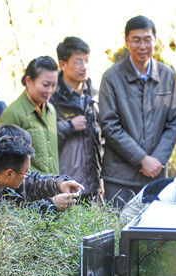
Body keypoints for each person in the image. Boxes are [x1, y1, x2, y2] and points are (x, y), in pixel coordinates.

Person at [98, 15, 176, 207]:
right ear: (127, 41)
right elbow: (109, 124)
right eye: (136, 40)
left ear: (155, 40)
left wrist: (157, 160)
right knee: (119, 232)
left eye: (147, 39)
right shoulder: (112, 77)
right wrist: (141, 159)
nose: (142, 46)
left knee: (155, 233)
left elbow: (174, 121)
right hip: (120, 177)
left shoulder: (167, 75)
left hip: (156, 175)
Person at [0, 128, 81, 214]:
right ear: (9, 173)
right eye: (26, 172)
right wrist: (51, 205)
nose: (27, 175)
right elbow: (8, 224)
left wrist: (59, 184)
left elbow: (32, 182)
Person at [50, 37, 103, 202]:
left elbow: (102, 140)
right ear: (63, 64)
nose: (84, 67)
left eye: (87, 61)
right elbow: (43, 139)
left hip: (92, 184)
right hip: (64, 184)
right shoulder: (51, 96)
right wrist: (69, 126)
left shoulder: (94, 95)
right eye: (78, 62)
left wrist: (101, 180)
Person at [0, 56, 60, 176]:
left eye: (54, 85)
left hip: (52, 186)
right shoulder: (13, 113)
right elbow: (3, 160)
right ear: (29, 81)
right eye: (45, 85)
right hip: (28, 189)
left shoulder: (51, 110)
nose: (50, 90)